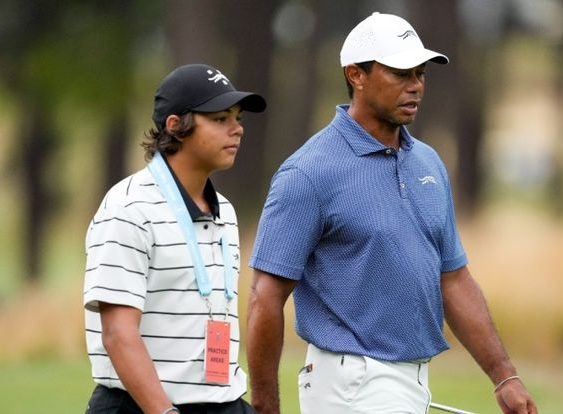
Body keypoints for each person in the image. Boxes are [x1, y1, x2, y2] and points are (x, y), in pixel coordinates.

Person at [247, 12, 537, 414]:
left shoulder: (428, 162)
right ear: (356, 75)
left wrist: (504, 375)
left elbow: (453, 279)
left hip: (408, 381)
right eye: (401, 74)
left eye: (420, 74)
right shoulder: (309, 173)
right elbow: (266, 298)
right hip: (350, 380)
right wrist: (265, 408)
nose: (415, 86)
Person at [83, 64, 266, 414]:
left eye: (237, 117)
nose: (237, 129)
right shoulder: (129, 207)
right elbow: (119, 335)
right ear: (176, 126)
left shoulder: (224, 210)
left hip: (222, 400)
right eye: (220, 118)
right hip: (142, 407)